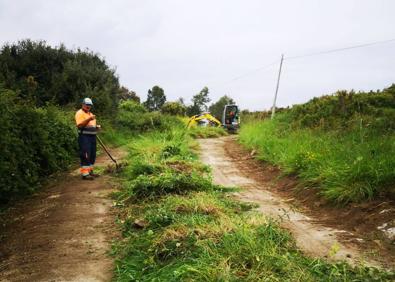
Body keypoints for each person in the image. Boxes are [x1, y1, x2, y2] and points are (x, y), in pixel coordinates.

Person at [75, 98, 100, 180]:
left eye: (89, 105)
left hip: (92, 137)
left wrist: (96, 127)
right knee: (85, 154)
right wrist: (89, 119)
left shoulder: (91, 114)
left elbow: (91, 126)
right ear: (83, 104)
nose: (88, 106)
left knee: (92, 154)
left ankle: (90, 171)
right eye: (87, 104)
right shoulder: (79, 113)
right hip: (84, 137)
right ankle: (85, 174)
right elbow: (80, 125)